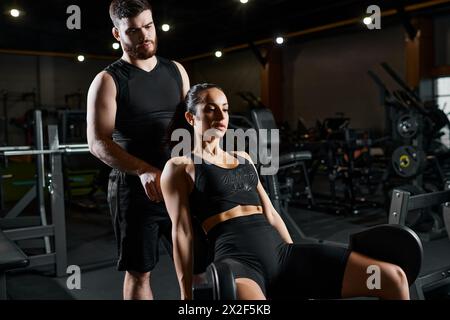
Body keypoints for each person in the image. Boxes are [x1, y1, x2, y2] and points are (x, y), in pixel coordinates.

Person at [160, 83, 410, 300]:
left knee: (392, 277)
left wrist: (295, 262)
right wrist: (186, 293)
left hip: (281, 254)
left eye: (225, 108)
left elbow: (271, 213)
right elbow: (182, 232)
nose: (221, 116)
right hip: (238, 265)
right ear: (191, 118)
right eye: (210, 108)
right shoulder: (180, 166)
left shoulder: (244, 157)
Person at [87, 0, 189, 300]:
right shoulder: (107, 80)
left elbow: (189, 126)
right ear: (118, 34)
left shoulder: (176, 71)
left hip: (179, 186)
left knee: (194, 264)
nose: (144, 35)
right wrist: (143, 170)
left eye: (149, 26)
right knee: (140, 272)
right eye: (133, 30)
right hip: (134, 191)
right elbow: (97, 143)